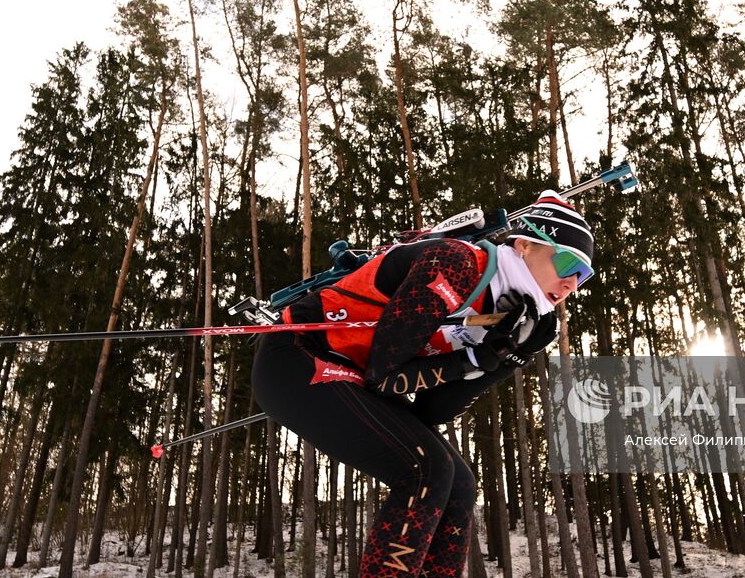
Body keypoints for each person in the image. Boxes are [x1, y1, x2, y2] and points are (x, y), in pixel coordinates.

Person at [251, 192, 595, 578]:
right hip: (299, 356)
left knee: (460, 484)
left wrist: (502, 360)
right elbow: (385, 376)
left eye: (581, 276)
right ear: (524, 244)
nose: (571, 284)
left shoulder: (515, 312)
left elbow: (433, 410)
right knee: (425, 469)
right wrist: (471, 359)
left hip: (355, 376)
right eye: (566, 262)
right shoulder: (456, 262)